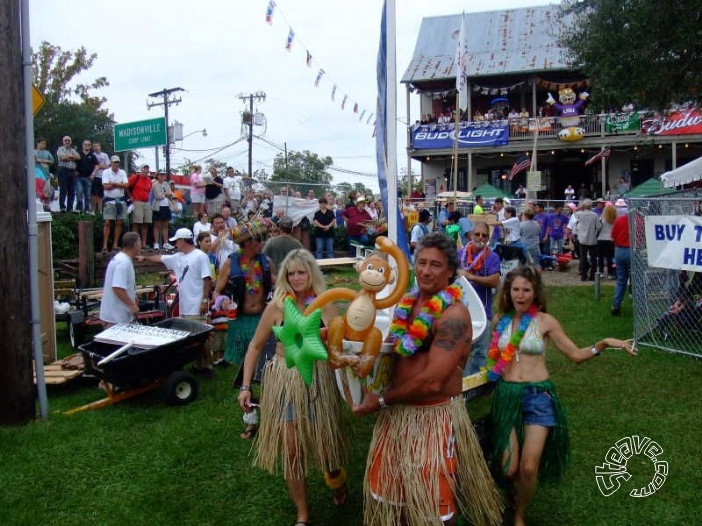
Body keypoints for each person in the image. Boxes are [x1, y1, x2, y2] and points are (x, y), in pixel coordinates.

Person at [353, 233, 503, 526]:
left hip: (432, 418)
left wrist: (381, 400)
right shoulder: (405, 306)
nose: (425, 270)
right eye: (421, 262)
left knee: (435, 508)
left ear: (450, 271)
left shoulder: (453, 315)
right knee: (390, 498)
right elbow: (391, 354)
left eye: (435, 265)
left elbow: (433, 381)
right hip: (397, 416)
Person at [487, 266, 636, 526]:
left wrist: (603, 343)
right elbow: (494, 360)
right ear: (508, 293)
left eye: (526, 290)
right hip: (507, 395)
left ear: (535, 293)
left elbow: (575, 355)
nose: (520, 295)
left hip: (538, 395)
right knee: (509, 468)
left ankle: (520, 515)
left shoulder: (546, 322)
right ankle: (511, 490)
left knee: (529, 467)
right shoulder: (500, 320)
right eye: (516, 290)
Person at [237, 249, 349, 526]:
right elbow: (254, 346)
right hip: (284, 380)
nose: (297, 278)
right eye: (291, 273)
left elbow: (340, 345)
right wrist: (245, 386)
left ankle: (336, 478)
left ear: (311, 273)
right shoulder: (276, 307)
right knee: (292, 448)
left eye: (302, 272)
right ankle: (302, 514)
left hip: (318, 380)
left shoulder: (325, 304)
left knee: (325, 448)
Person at [138, 228, 213, 377]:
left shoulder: (200, 257)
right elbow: (160, 257)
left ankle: (209, 366)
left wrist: (204, 300)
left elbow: (207, 279)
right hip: (185, 306)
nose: (175, 244)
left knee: (203, 337)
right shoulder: (178, 257)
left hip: (197, 304)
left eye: (176, 241)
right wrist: (145, 258)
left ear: (183, 241)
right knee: (193, 338)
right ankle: (199, 365)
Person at [213, 220, 276, 371]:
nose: (263, 243)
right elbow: (216, 292)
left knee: (264, 361)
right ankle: (245, 387)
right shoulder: (230, 263)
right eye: (259, 240)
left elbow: (281, 285)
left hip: (262, 319)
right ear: (248, 242)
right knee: (243, 363)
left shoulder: (266, 262)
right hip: (240, 319)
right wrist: (222, 302)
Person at [458, 222, 501, 375]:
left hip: (483, 313)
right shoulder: (460, 254)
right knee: (459, 349)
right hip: (460, 312)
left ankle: (475, 385)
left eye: (484, 235)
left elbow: (495, 280)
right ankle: (458, 381)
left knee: (480, 352)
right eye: (477, 234)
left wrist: (470, 276)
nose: (480, 238)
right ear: (471, 235)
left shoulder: (492, 256)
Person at [98, 232, 142, 327]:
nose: (140, 247)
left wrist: (133, 296)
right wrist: (132, 305)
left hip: (116, 316)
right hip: (116, 318)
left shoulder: (120, 258)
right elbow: (118, 288)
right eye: (140, 244)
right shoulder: (123, 263)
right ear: (135, 245)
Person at [101, 156, 129, 253]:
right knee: (108, 222)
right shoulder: (106, 172)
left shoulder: (122, 172)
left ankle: (115, 244)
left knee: (119, 222)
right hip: (109, 200)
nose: (116, 164)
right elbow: (105, 186)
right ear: (111, 163)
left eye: (118, 162)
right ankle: (104, 245)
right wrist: (119, 184)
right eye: (115, 162)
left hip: (120, 200)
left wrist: (113, 184)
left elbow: (126, 185)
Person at [610, 210, 630, 316]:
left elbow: (613, 236)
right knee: (637, 279)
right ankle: (639, 304)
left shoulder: (619, 220)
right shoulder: (637, 220)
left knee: (621, 279)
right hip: (631, 250)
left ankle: (616, 305)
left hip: (619, 250)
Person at [575, 199, 601, 281]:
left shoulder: (580, 214)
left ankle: (583, 276)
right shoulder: (594, 215)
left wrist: (580, 207)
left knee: (583, 258)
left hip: (582, 239)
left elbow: (575, 212)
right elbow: (599, 226)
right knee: (593, 258)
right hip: (592, 238)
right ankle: (592, 276)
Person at [128, 165, 154, 246]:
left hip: (146, 202)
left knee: (145, 223)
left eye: (147, 169)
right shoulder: (135, 177)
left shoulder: (149, 180)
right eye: (144, 168)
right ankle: (134, 243)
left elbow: (149, 191)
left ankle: (143, 243)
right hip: (137, 201)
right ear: (141, 169)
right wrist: (130, 196)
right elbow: (126, 186)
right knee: (136, 223)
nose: (146, 170)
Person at [56, 136, 80, 212]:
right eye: (65, 140)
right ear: (63, 141)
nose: (67, 142)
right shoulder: (60, 149)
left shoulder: (73, 150)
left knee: (71, 190)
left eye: (69, 140)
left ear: (71, 142)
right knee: (63, 189)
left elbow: (78, 157)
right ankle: (62, 207)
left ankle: (70, 208)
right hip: (63, 170)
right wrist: (72, 158)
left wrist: (68, 157)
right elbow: (63, 158)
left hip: (72, 171)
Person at [151, 171, 173, 251]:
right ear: (157, 176)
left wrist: (165, 194)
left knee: (165, 225)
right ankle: (156, 243)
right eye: (161, 174)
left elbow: (170, 194)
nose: (162, 176)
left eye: (164, 174)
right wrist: (166, 194)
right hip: (158, 206)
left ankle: (166, 243)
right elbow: (158, 196)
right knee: (157, 225)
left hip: (166, 206)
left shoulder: (166, 184)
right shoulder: (155, 184)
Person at [75, 139, 98, 214]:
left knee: (88, 195)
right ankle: (79, 209)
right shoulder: (78, 154)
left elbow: (97, 165)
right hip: (79, 177)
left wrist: (93, 174)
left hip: (88, 178)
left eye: (88, 145)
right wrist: (74, 171)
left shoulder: (92, 155)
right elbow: (73, 163)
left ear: (90, 146)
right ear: (82, 145)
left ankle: (87, 209)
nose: (87, 146)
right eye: (85, 144)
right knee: (79, 193)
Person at [597, 204, 617, 279]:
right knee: (610, 258)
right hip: (610, 240)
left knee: (601, 257)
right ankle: (610, 273)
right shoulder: (615, 220)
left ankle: (601, 272)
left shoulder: (601, 220)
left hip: (601, 239)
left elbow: (597, 229)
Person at [91, 141, 110, 213]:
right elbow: (91, 166)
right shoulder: (92, 155)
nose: (96, 147)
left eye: (97, 146)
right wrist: (97, 166)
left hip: (102, 177)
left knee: (100, 195)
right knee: (93, 194)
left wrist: (101, 166)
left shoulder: (104, 155)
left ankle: (100, 211)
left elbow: (108, 166)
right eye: (94, 146)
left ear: (100, 147)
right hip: (94, 176)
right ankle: (92, 210)